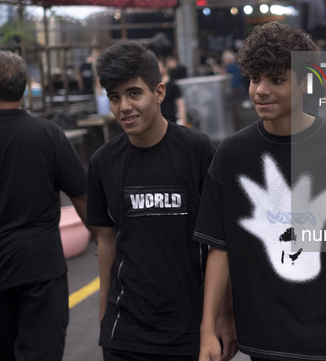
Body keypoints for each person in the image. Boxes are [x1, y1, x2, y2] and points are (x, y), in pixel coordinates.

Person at [195, 22, 326, 361]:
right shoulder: (231, 154)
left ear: (304, 82)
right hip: (262, 336)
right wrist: (210, 327)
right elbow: (220, 248)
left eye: (277, 80)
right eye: (255, 78)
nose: (260, 90)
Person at [86, 41, 236, 360]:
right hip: (126, 330)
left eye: (133, 93)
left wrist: (224, 315)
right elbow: (106, 241)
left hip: (190, 328)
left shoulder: (196, 151)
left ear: (159, 93)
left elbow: (219, 243)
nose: (124, 106)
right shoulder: (102, 162)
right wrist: (104, 316)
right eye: (114, 97)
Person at [0, 51, 87, 360]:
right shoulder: (47, 134)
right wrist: (109, 244)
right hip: (39, 266)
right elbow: (82, 196)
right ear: (24, 88)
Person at [159, 58, 187, 125]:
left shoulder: (173, 86)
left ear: (165, 68)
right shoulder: (154, 86)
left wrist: (183, 123)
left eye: (158, 67)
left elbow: (180, 105)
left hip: (171, 122)